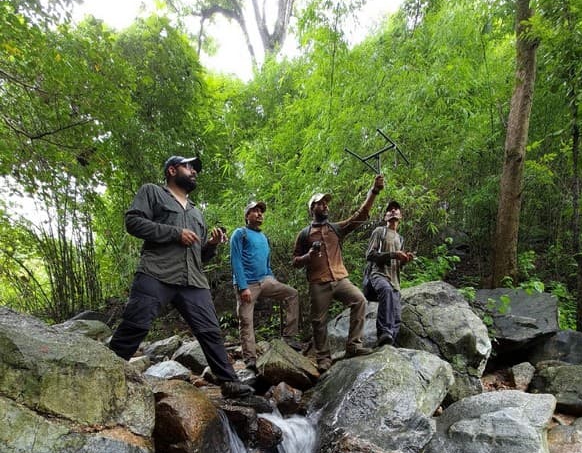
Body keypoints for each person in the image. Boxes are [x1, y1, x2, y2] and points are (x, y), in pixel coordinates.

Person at [109, 155, 253, 398]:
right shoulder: (152, 192)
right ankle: (104, 372)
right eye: (188, 166)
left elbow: (200, 256)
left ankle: (229, 383)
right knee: (135, 326)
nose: (194, 171)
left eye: (195, 168)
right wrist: (175, 233)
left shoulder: (197, 214)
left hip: (193, 281)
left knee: (210, 331)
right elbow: (132, 222)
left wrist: (211, 244)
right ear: (172, 170)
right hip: (156, 272)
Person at [292, 174, 385, 373]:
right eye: (320, 203)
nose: (325, 205)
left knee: (359, 300)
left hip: (340, 278)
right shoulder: (304, 234)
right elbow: (295, 262)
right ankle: (323, 358)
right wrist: (308, 256)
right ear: (312, 209)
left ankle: (353, 346)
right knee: (318, 321)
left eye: (326, 203)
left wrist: (373, 191)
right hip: (318, 282)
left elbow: (359, 216)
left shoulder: (336, 229)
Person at [230, 201, 301, 372]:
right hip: (248, 283)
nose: (259, 214)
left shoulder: (264, 237)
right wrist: (242, 286)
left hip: (266, 280)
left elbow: (267, 263)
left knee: (292, 294)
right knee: (246, 320)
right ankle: (250, 358)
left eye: (261, 211)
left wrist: (272, 279)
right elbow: (236, 260)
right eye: (255, 211)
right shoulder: (240, 234)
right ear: (247, 216)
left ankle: (289, 336)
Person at [363, 200, 415, 346]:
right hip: (378, 274)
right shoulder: (379, 232)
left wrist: (405, 260)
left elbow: (399, 265)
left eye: (396, 209)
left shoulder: (400, 239)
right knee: (385, 291)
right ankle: (384, 333)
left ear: (401, 216)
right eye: (389, 210)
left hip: (395, 280)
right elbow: (370, 255)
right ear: (385, 216)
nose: (393, 211)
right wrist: (393, 254)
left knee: (397, 314)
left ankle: (389, 343)